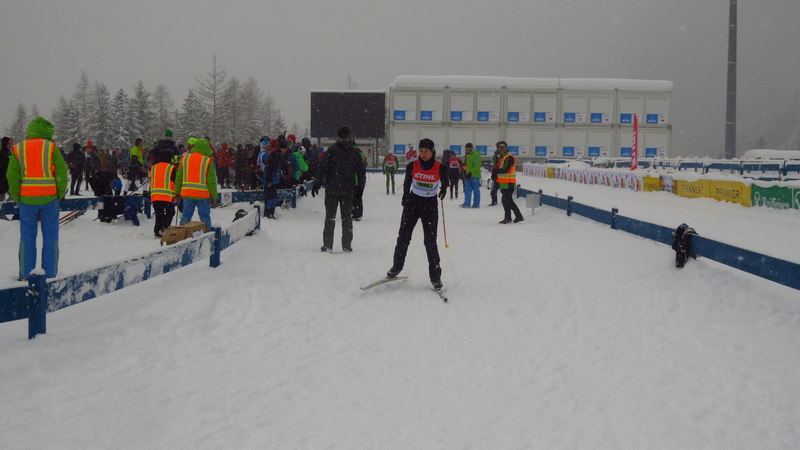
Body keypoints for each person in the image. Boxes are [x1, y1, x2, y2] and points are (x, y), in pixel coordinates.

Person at [6, 117, 68, 280]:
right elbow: (61, 172)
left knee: (27, 238)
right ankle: (50, 274)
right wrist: (59, 194)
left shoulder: (19, 149)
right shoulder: (51, 148)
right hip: (49, 200)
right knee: (50, 238)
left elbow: (12, 176)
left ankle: (26, 274)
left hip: (27, 201)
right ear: (47, 131)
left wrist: (17, 197)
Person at [386, 138, 449, 290]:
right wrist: (404, 197)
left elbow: (445, 181)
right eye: (421, 151)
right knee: (403, 237)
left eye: (426, 151)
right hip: (413, 204)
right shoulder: (412, 165)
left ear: (432, 152)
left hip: (430, 206)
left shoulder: (439, 167)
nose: (423, 154)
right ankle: (396, 267)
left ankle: (435, 276)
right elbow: (407, 182)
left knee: (430, 241)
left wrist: (443, 190)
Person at [311, 126, 366, 252]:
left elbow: (322, 168)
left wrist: (317, 183)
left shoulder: (331, 150)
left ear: (338, 136)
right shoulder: (355, 152)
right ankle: (347, 246)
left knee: (330, 217)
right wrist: (360, 189)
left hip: (332, 189)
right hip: (348, 190)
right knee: (347, 218)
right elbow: (361, 172)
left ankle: (328, 245)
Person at [175, 138, 217, 231]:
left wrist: (177, 193)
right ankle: (207, 234)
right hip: (203, 195)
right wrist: (214, 196)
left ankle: (181, 234)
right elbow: (211, 181)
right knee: (205, 217)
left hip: (188, 194)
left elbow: (178, 177)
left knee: (186, 216)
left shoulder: (185, 159)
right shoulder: (207, 161)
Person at [148, 147, 177, 238]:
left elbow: (151, 180)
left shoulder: (154, 167)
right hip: (167, 195)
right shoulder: (171, 168)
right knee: (170, 212)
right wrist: (176, 193)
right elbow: (174, 182)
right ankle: (164, 227)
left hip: (155, 195)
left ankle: (157, 230)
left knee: (158, 214)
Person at [493, 141, 523, 224]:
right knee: (506, 200)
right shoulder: (502, 157)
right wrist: (495, 173)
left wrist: (495, 171)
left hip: (509, 182)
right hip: (504, 183)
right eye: (500, 147)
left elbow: (506, 170)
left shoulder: (509, 157)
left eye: (503, 147)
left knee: (507, 200)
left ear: (506, 147)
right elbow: (501, 169)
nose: (501, 149)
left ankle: (515, 216)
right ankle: (511, 217)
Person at [263, 137, 291, 219]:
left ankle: (271, 213)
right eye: (284, 148)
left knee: (273, 197)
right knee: (270, 197)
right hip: (271, 180)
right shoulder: (275, 155)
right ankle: (268, 214)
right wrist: (268, 180)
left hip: (274, 179)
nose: (285, 150)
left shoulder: (278, 154)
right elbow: (269, 168)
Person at [460, 143, 482, 208]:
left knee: (476, 190)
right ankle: (467, 203)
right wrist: (466, 171)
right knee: (467, 190)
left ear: (470, 148)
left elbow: (477, 165)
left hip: (475, 175)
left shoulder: (476, 154)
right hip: (468, 175)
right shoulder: (468, 155)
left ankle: (476, 204)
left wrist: (471, 173)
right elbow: (468, 165)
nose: (466, 150)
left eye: (466, 148)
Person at [352, 146, 367, 221]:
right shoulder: (360, 152)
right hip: (360, 180)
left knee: (353, 198)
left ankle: (354, 212)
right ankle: (359, 213)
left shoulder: (351, 152)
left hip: (354, 180)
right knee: (359, 198)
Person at [0, 137, 12, 202]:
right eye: (9, 144)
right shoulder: (2, 153)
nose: (10, 145)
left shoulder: (9, 153)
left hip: (6, 180)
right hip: (2, 180)